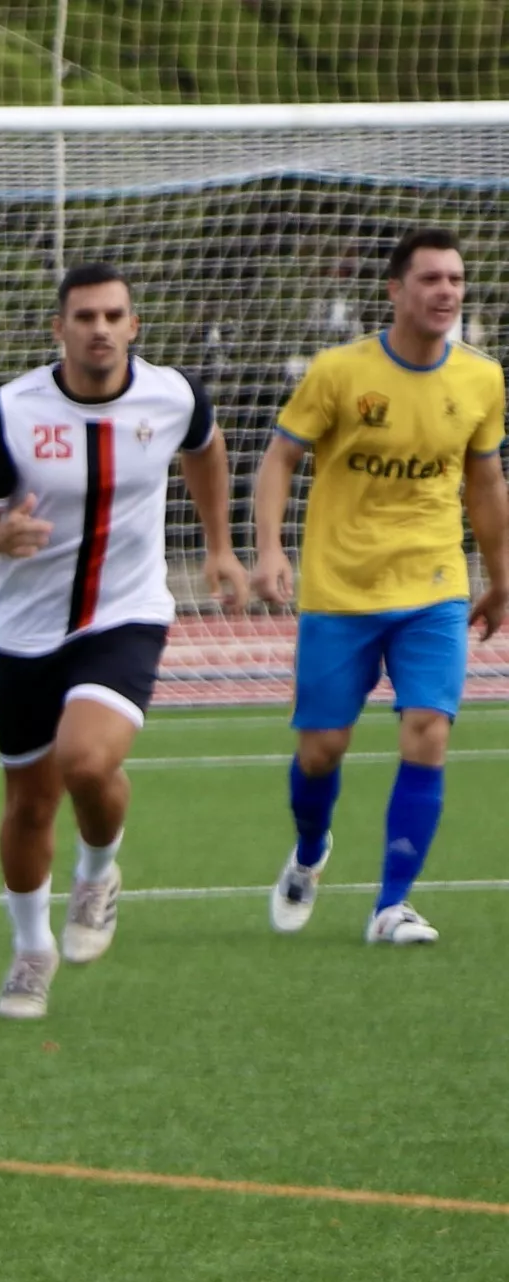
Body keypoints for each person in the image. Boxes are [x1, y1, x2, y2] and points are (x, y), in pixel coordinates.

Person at [0, 261, 245, 1021]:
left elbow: (205, 447)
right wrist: (0, 534)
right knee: (26, 803)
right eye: (84, 317)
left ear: (133, 326)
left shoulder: (170, 395)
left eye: (114, 316)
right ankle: (29, 950)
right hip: (25, 631)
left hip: (125, 614)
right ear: (59, 328)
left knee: (85, 758)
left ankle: (98, 872)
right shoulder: (14, 410)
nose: (100, 329)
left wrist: (217, 545)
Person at [249, 227, 509, 945]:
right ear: (394, 290)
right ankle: (308, 850)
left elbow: (483, 483)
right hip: (338, 590)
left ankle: (391, 905)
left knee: (426, 732)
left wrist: (500, 577)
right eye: (429, 279)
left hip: (432, 585)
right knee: (319, 751)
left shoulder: (481, 379)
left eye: (455, 279)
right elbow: (278, 461)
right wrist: (269, 550)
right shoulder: (338, 372)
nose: (445, 291)